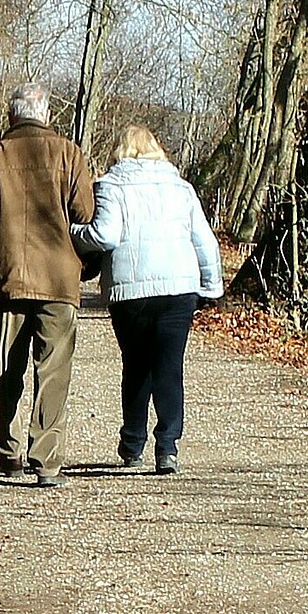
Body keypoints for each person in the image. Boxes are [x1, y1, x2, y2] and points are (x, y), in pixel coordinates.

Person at [0, 83, 94, 489]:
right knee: (52, 371)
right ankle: (47, 461)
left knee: (8, 368)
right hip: (58, 280)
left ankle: (6, 450)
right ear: (46, 114)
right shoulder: (69, 153)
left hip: (8, 278)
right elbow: (85, 212)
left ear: (12, 114)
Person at [72, 125, 223, 476]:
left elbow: (104, 236)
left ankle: (132, 443)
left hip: (131, 292)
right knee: (170, 368)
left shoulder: (109, 186)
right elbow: (205, 242)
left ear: (121, 152)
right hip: (179, 289)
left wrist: (72, 232)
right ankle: (167, 447)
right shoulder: (181, 188)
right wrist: (212, 289)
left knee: (136, 366)